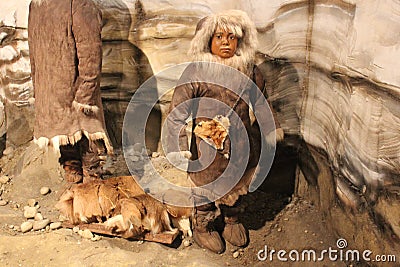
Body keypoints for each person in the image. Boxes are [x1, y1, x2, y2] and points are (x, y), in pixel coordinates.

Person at [167, 10, 283, 253]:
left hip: (241, 144)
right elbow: (178, 109)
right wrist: (177, 144)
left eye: (231, 37)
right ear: (207, 40)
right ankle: (203, 226)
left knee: (239, 184)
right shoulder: (196, 72)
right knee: (205, 187)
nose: (225, 43)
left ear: (240, 41)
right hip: (206, 148)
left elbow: (260, 101)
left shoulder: (249, 71)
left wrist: (271, 128)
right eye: (218, 37)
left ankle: (232, 219)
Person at [28, 0, 113, 183]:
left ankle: (93, 195)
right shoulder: (36, 6)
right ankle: (75, 193)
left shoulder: (79, 4)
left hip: (76, 94)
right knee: (69, 157)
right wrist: (39, 90)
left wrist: (85, 94)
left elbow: (91, 53)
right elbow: (34, 52)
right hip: (51, 94)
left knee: (90, 153)